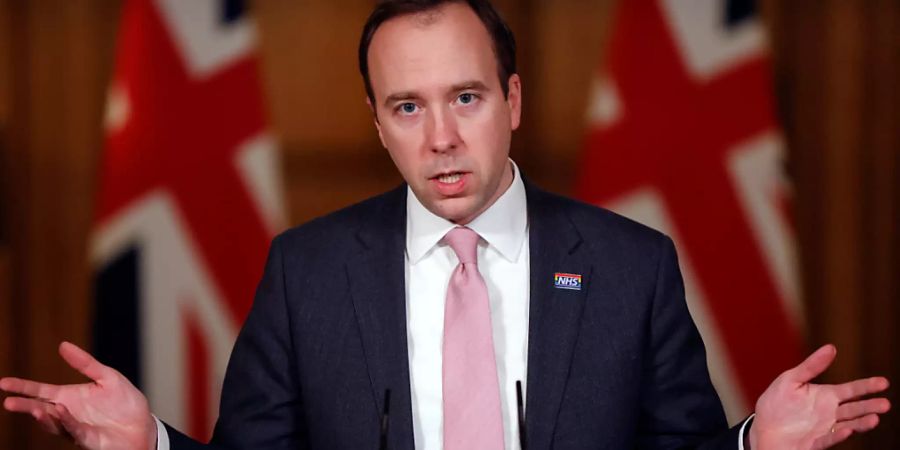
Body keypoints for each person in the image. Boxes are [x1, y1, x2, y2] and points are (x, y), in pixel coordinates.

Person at [1, 1, 891, 449]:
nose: (440, 139)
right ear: (376, 120)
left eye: (465, 97)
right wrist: (150, 442)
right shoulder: (306, 272)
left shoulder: (632, 265)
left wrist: (751, 444)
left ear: (511, 99)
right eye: (406, 106)